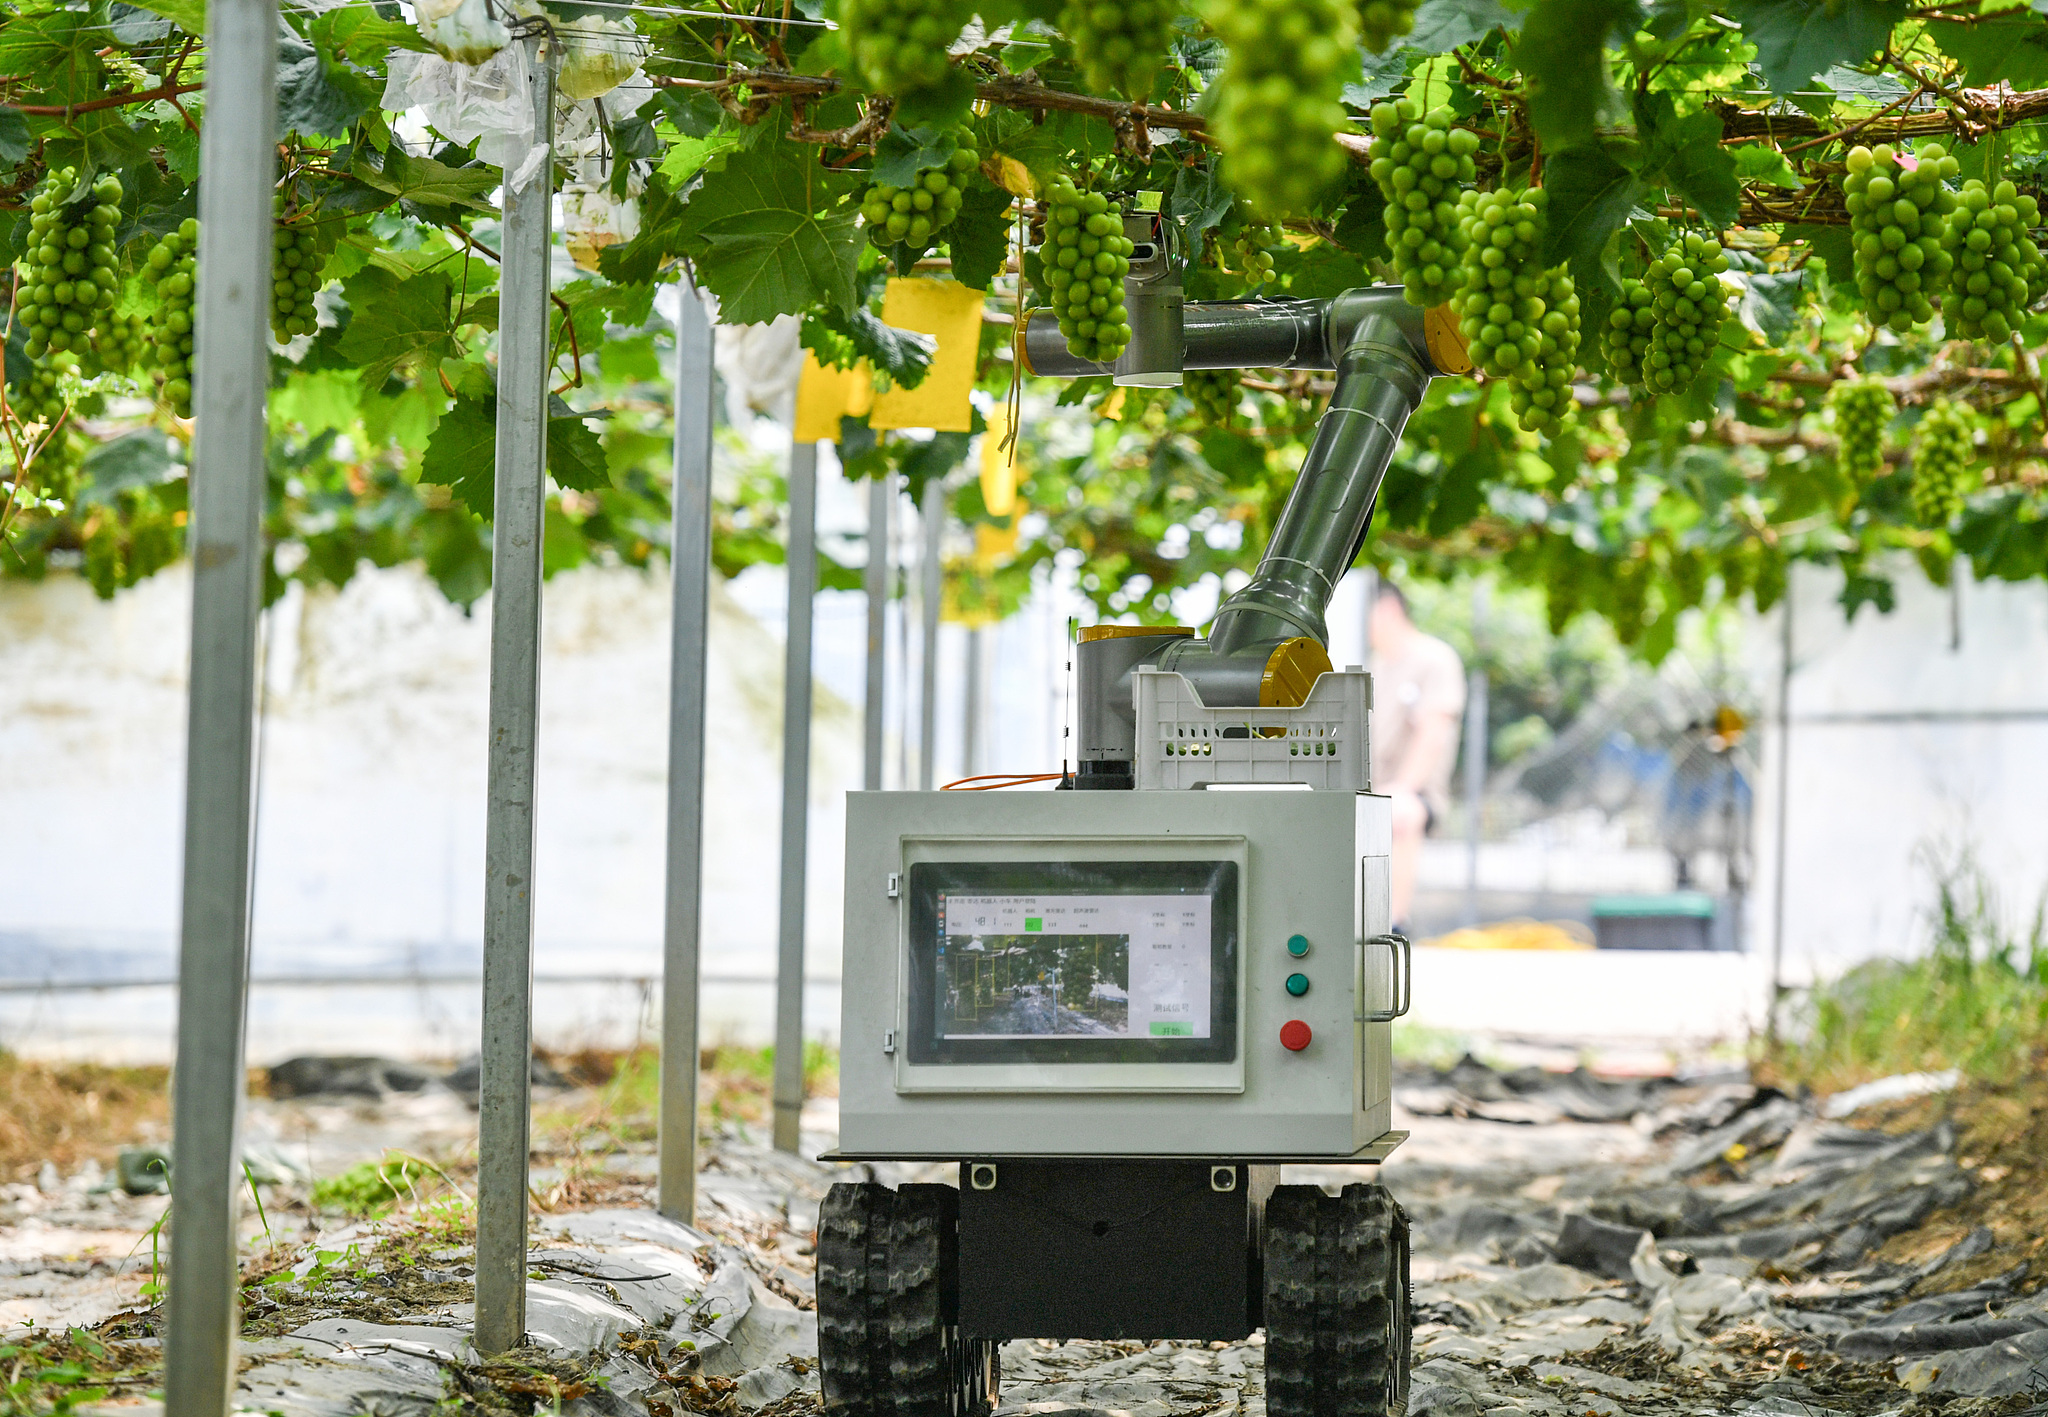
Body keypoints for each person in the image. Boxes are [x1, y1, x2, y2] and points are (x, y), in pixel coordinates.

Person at [1368, 580, 1466, 933]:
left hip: (1416, 790)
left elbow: (1433, 732)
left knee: (1400, 812)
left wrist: (1402, 789)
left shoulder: (1434, 658)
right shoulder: (1371, 664)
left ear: (1388, 609)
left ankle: (1393, 924)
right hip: (1370, 787)